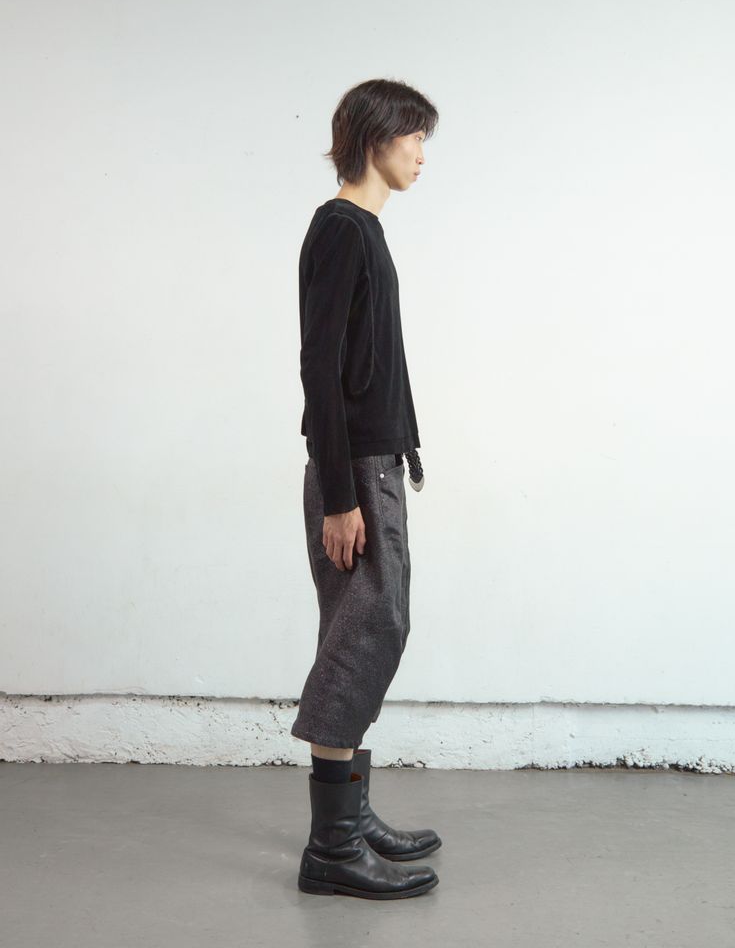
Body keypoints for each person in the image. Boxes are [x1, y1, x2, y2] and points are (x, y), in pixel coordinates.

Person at [291, 79, 442, 900]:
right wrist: (343, 495)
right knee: (369, 632)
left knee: (357, 632)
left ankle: (351, 815)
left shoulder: (364, 230)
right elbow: (319, 368)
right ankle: (333, 848)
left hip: (373, 463)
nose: (422, 154)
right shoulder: (342, 229)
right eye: (414, 137)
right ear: (378, 138)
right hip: (355, 472)